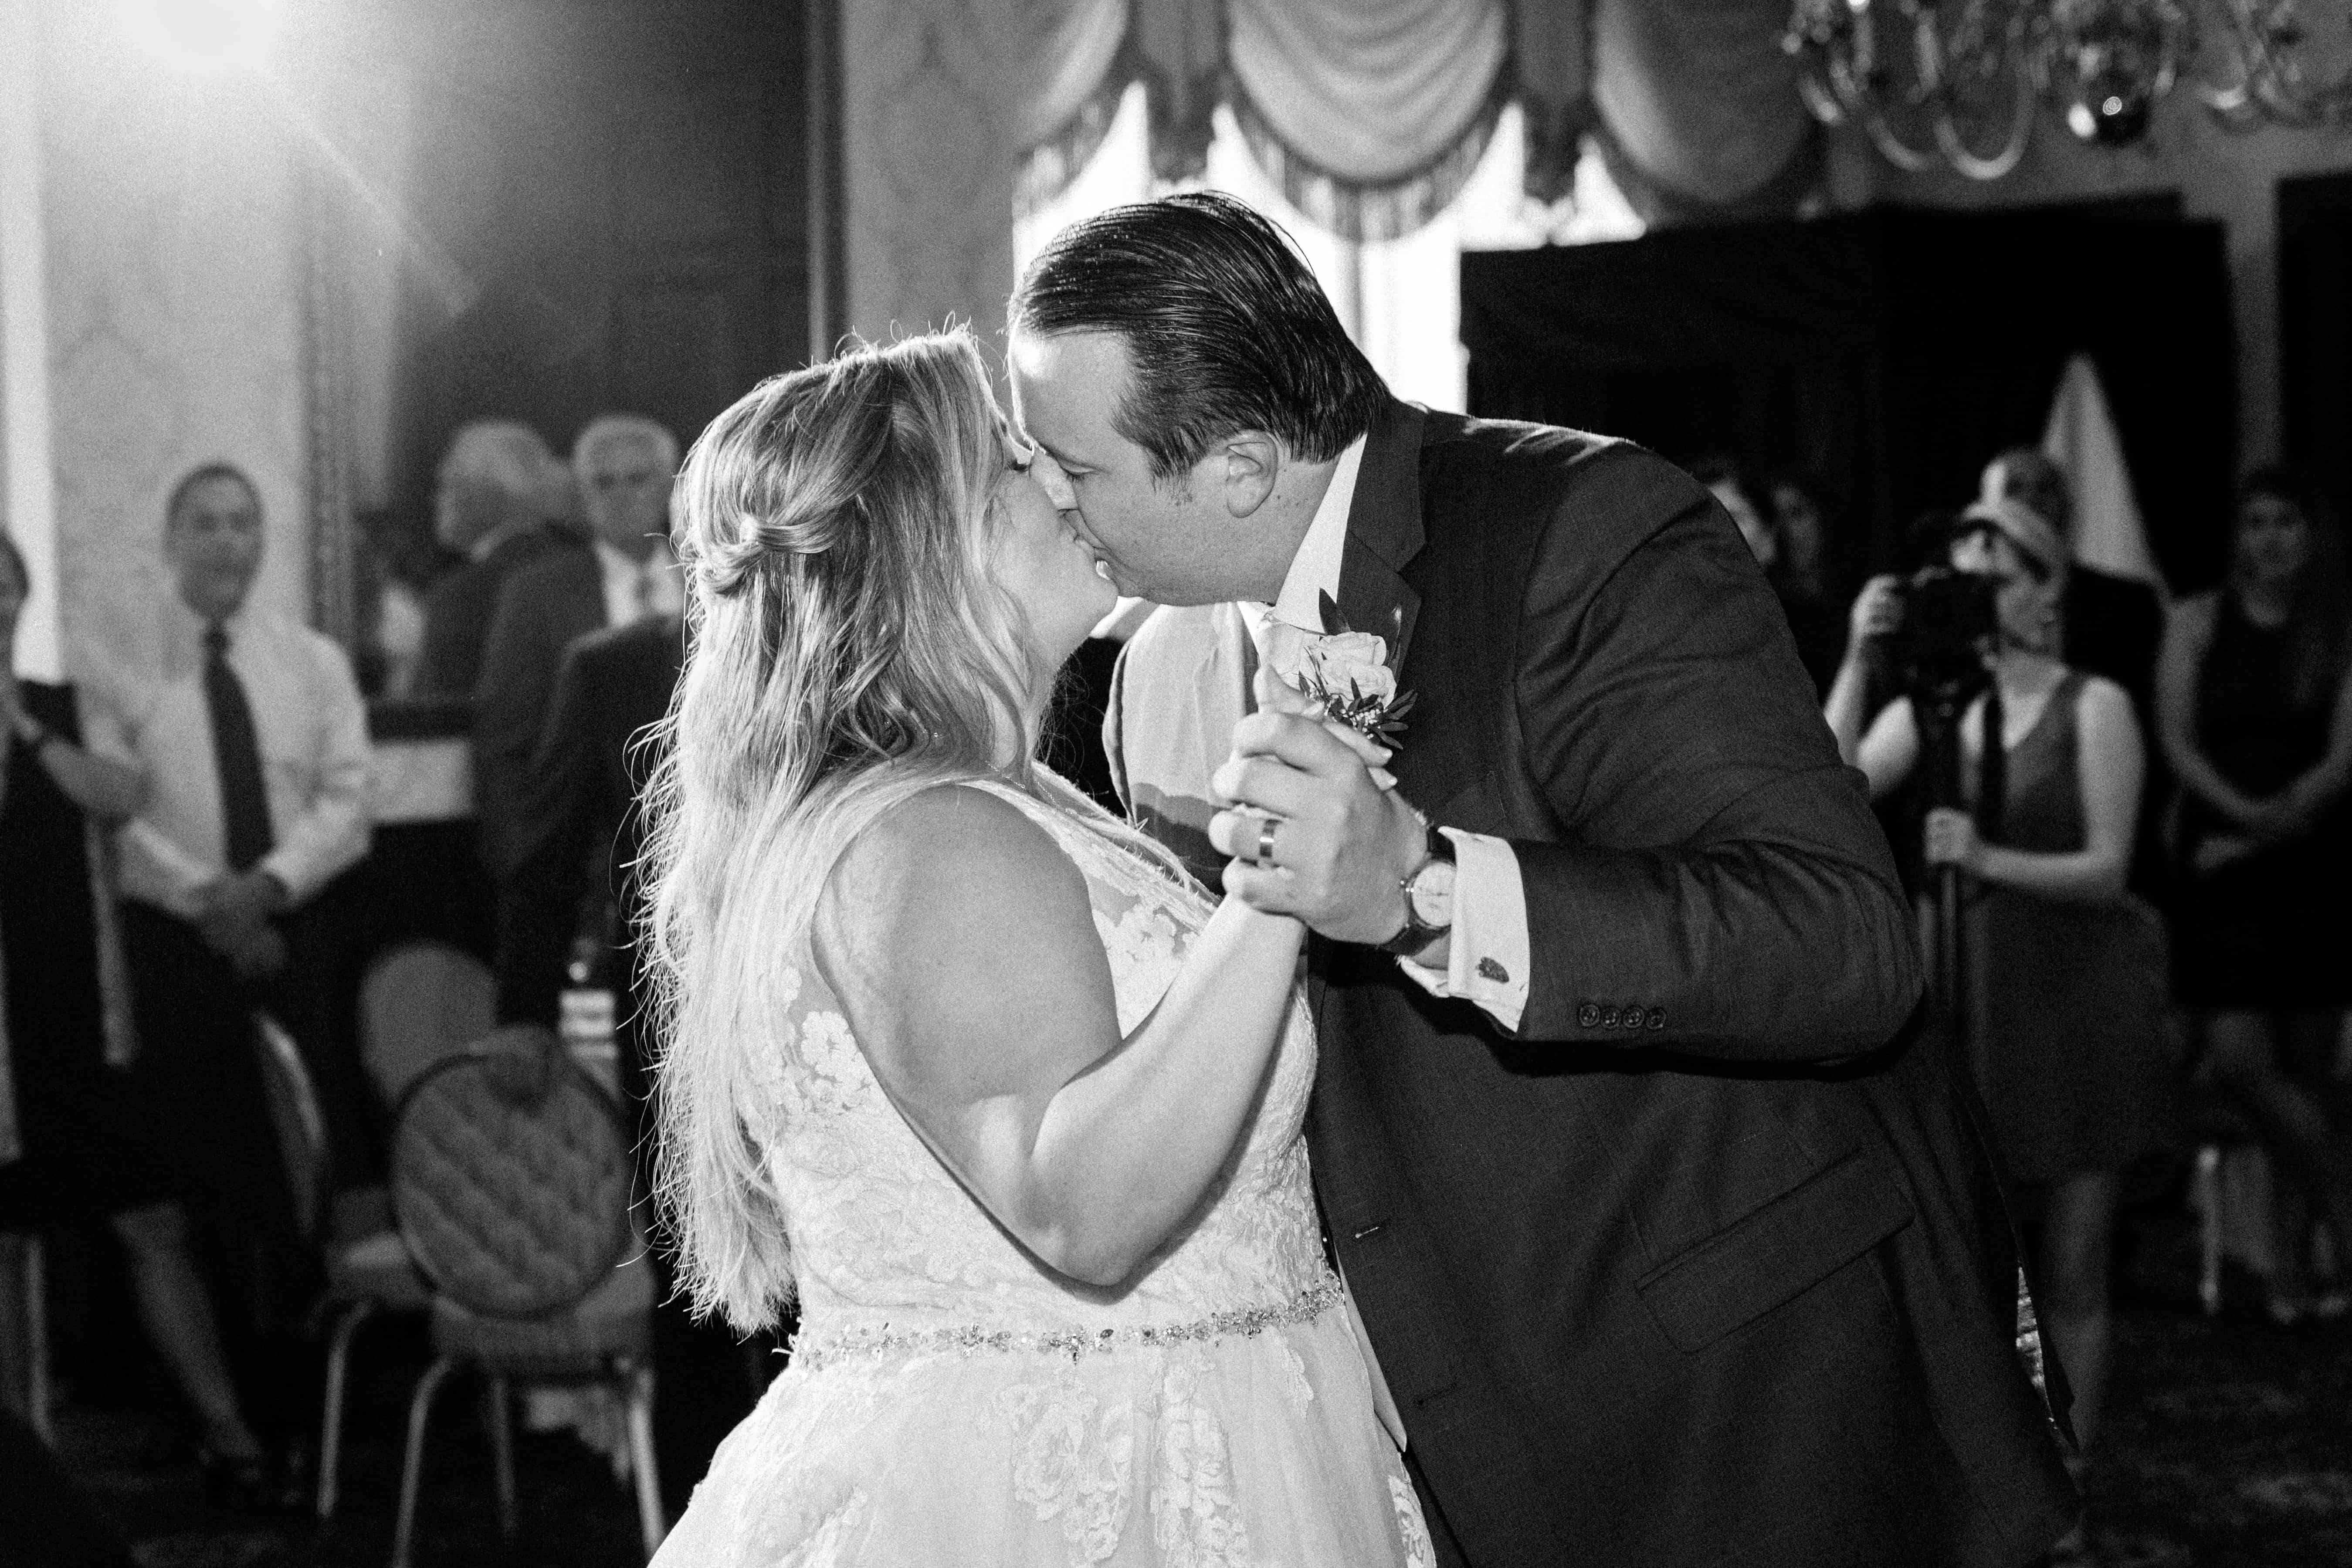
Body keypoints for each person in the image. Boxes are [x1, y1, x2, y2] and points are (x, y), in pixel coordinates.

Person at [1013, 193, 2074, 1567]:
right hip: (1420, 1413)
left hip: (1727, 1400)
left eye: (1071, 465)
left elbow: (1838, 944)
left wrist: (1425, 885)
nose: (1044, 496)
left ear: (1235, 462)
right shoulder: (1150, 668)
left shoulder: (1577, 525)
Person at [644, 332, 1431, 1565]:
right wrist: (1278, 874)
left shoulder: (996, 804)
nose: (1068, 480)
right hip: (1062, 1488)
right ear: (930, 534)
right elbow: (1086, 1209)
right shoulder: (930, 831)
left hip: (1207, 1424)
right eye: (1018, 458)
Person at [1825, 498, 2173, 1483]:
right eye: (1962, 580)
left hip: (2074, 1008)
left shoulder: (2093, 704)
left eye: (1999, 578)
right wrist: (1861, 653)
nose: (1979, 600)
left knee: (2071, 1261)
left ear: (2043, 588)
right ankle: (1992, 1473)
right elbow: (1822, 780)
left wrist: (1987, 856)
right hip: (1966, 1004)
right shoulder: (1935, 707)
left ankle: (2070, 1473)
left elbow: (2109, 869)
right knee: (1973, 1257)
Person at [0, 534, 273, 1502]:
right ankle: (25, 1463)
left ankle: (228, 1430)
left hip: (78, 1007)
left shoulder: (63, 702)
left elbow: (121, 796)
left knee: (149, 1216)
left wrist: (22, 726)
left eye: (3, 584)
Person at [110, 464, 372, 1448]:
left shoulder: (311, 662)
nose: (229, 544)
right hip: (172, 953)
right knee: (202, 1185)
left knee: (300, 1178)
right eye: (207, 525)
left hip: (294, 934)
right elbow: (116, 818)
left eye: (244, 525)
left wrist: (265, 889)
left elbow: (348, 801)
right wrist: (208, 901)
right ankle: (226, 1425)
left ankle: (314, 1418)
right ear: (171, 539)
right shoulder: (120, 662)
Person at [2156, 466, 2352, 1315]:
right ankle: (2345, 1226)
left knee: (2306, 1077)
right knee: (2239, 1061)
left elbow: (2342, 757)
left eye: (2283, 520)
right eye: (2252, 521)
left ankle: (2290, 1275)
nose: (2265, 538)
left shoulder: (2335, 630)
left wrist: (2262, 828)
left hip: (2309, 866)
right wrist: (2233, 818)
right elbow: (2175, 735)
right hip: (2215, 869)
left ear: (2311, 533)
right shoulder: (2197, 619)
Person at [474, 415, 681, 879]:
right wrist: (525, 861)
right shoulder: (535, 593)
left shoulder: (713, 578)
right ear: (583, 494)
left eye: (636, 479)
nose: (621, 495)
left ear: (669, 484)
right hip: (593, 852)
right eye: (603, 482)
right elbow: (506, 738)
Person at [414, 420, 570, 698]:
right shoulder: (579, 572)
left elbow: (437, 718)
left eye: (446, 485)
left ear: (485, 494)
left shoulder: (461, 596)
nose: (435, 500)